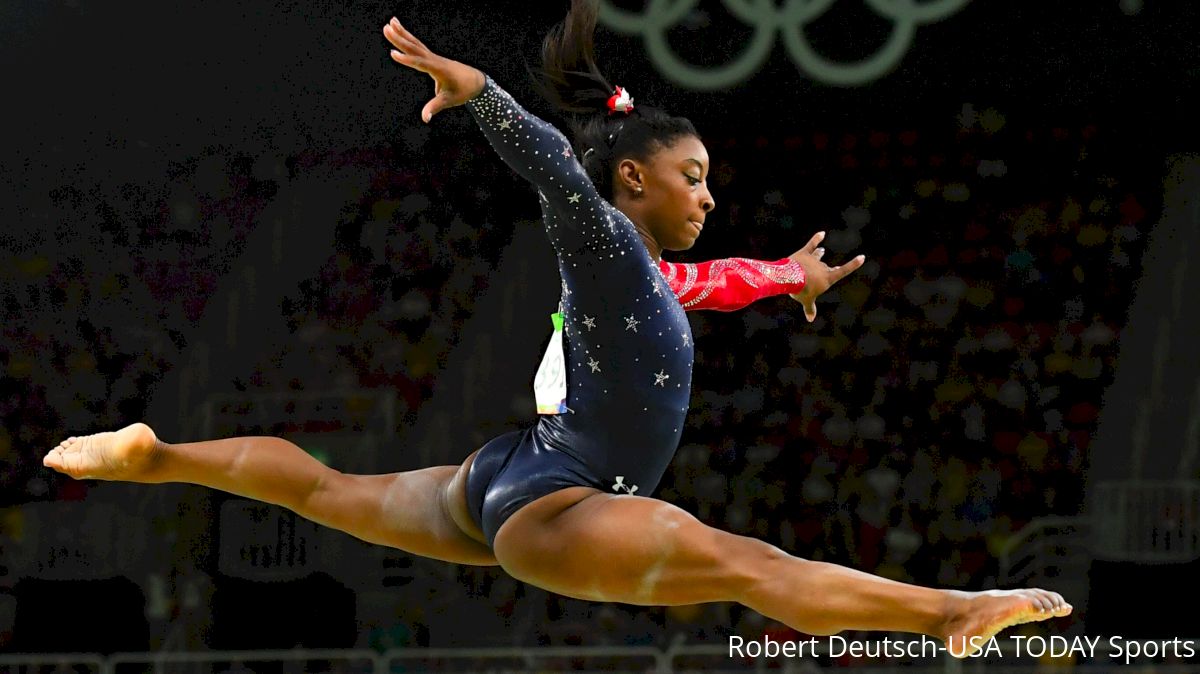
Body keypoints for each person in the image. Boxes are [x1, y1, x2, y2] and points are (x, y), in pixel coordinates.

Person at [43, 0, 1070, 657]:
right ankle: (947, 610)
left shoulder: (649, 274)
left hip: (510, 473)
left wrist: (787, 275)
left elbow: (714, 279)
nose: (708, 195)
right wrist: (483, 91)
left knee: (323, 488)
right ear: (633, 177)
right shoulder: (608, 244)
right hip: (561, 497)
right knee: (749, 562)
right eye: (694, 177)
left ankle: (158, 451)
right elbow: (551, 169)